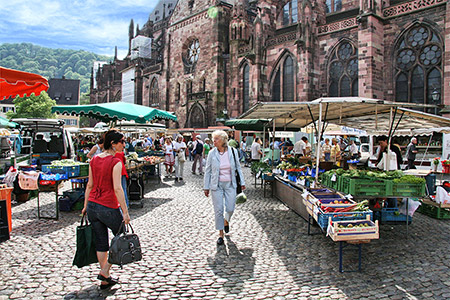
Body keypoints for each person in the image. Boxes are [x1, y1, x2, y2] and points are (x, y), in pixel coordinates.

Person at [81, 129, 130, 290]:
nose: (124, 144)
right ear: (113, 144)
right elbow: (117, 188)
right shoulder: (115, 162)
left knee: (101, 241)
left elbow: (89, 185)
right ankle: (105, 271)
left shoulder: (94, 160)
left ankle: (105, 278)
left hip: (93, 206)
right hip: (108, 205)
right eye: (122, 141)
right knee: (122, 237)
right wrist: (125, 211)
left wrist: (85, 205)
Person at [203, 130, 246, 245]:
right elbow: (207, 171)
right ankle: (220, 234)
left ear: (223, 140)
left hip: (230, 184)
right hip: (216, 185)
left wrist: (242, 182)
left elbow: (238, 167)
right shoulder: (212, 153)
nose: (214, 141)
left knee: (231, 208)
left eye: (216, 139)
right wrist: (206, 187)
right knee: (218, 210)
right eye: (213, 139)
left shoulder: (233, 151)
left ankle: (226, 220)